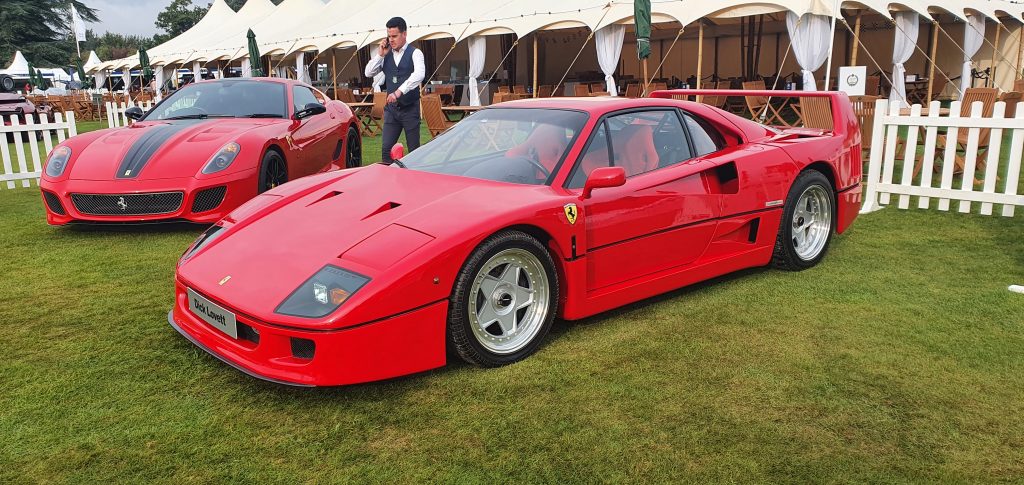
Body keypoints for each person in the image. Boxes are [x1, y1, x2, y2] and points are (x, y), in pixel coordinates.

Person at [364, 16, 425, 162]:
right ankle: (388, 181)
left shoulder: (415, 53)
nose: (391, 40)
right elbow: (368, 72)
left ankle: (413, 182)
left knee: (414, 151)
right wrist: (380, 55)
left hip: (410, 109)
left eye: (395, 36)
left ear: (404, 34)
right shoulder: (385, 55)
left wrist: (399, 91)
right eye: (389, 36)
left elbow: (419, 74)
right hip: (392, 110)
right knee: (386, 150)